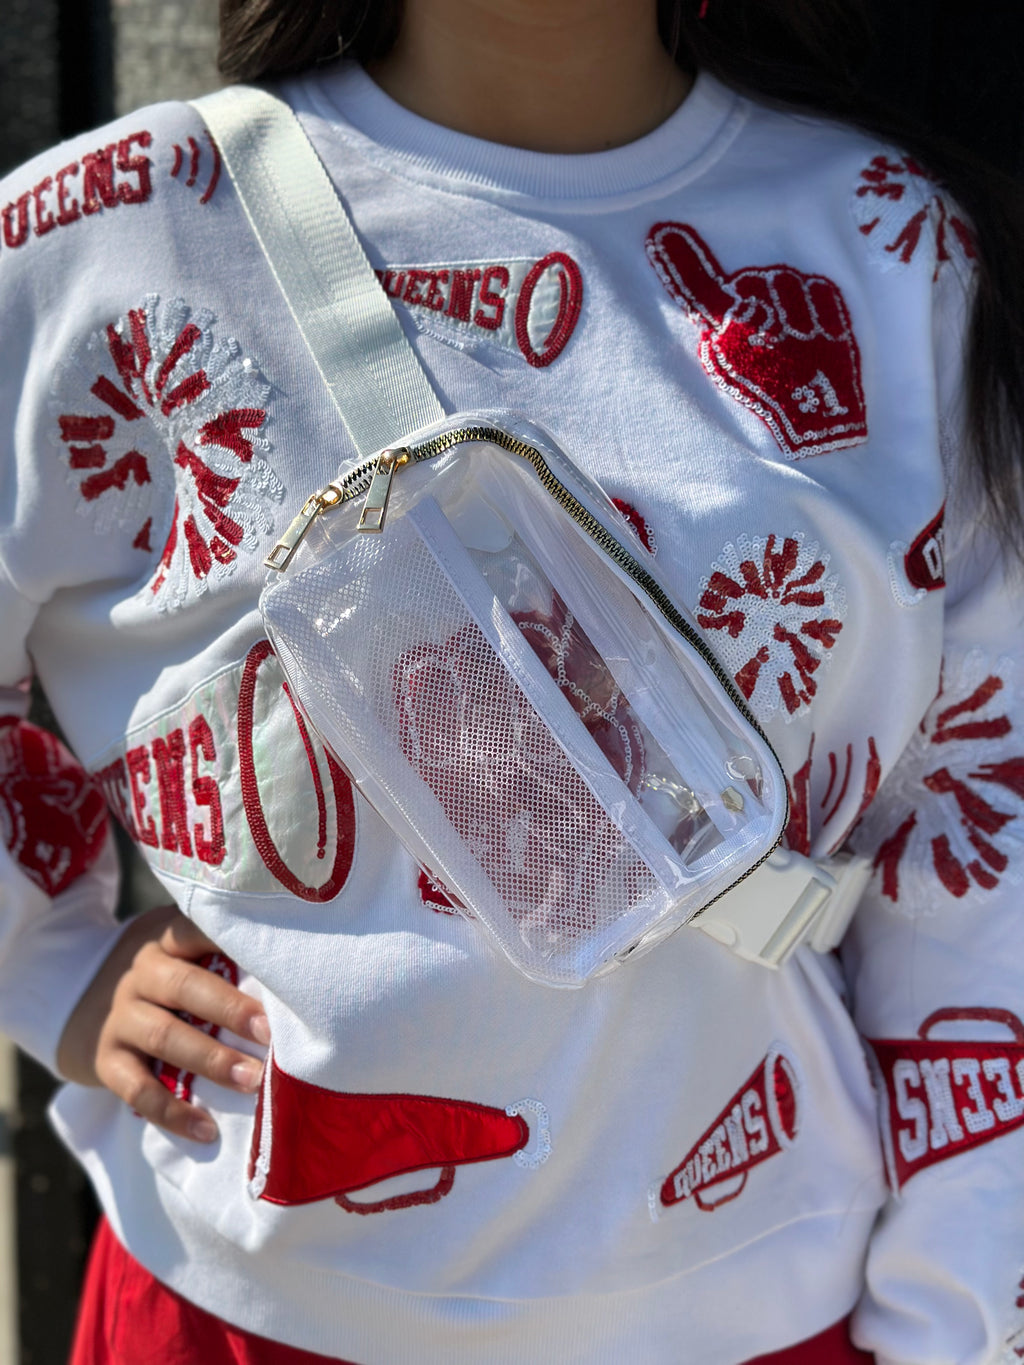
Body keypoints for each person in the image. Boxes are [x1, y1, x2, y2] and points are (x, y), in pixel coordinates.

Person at [2, 0, 1023, 1360]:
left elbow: (983, 832)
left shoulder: (892, 244)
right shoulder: (113, 228)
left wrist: (956, 1313)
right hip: (239, 1299)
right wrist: (49, 972)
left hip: (765, 1297)